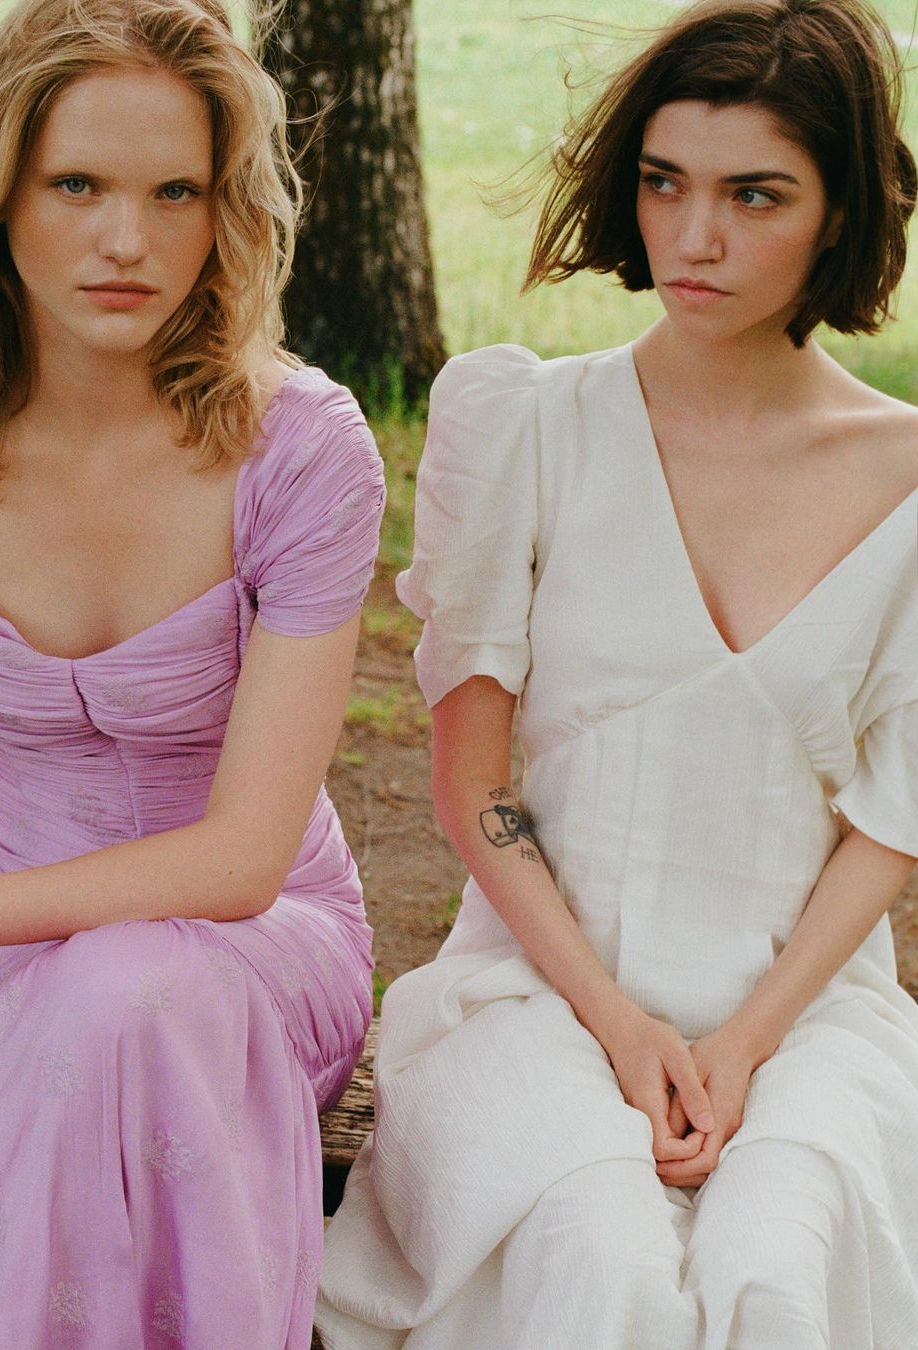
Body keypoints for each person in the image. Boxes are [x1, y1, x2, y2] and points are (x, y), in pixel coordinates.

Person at [315, 0, 918, 1345]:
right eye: (664, 181)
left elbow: (897, 816)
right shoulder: (527, 426)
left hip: (809, 1015)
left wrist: (745, 1043)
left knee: (772, 1265)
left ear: (840, 212)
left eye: (755, 194)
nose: (693, 236)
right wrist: (619, 1024)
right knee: (601, 1260)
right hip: (537, 993)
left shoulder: (909, 478)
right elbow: (472, 783)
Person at [0, 1, 386, 1345]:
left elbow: (243, 859)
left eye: (174, 191)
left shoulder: (301, 451)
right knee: (83, 1008)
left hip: (254, 954)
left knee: (124, 995)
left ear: (225, 211)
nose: (127, 240)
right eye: (76, 184)